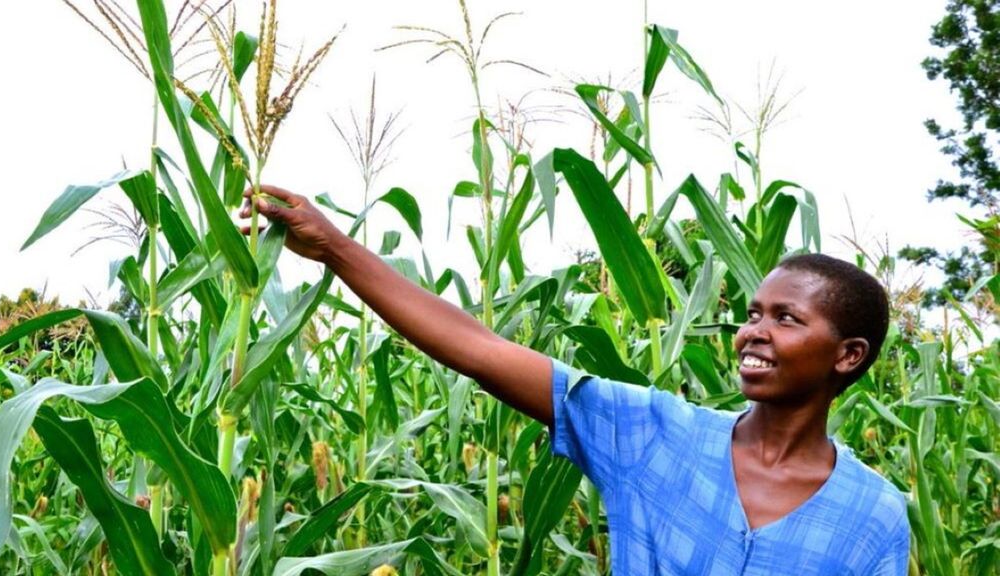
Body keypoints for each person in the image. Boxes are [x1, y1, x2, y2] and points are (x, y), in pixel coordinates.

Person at [241, 185, 910, 575]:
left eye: (786, 319)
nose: (752, 332)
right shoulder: (655, 434)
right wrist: (335, 247)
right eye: (752, 314)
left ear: (847, 355)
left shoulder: (873, 516)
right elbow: (477, 348)